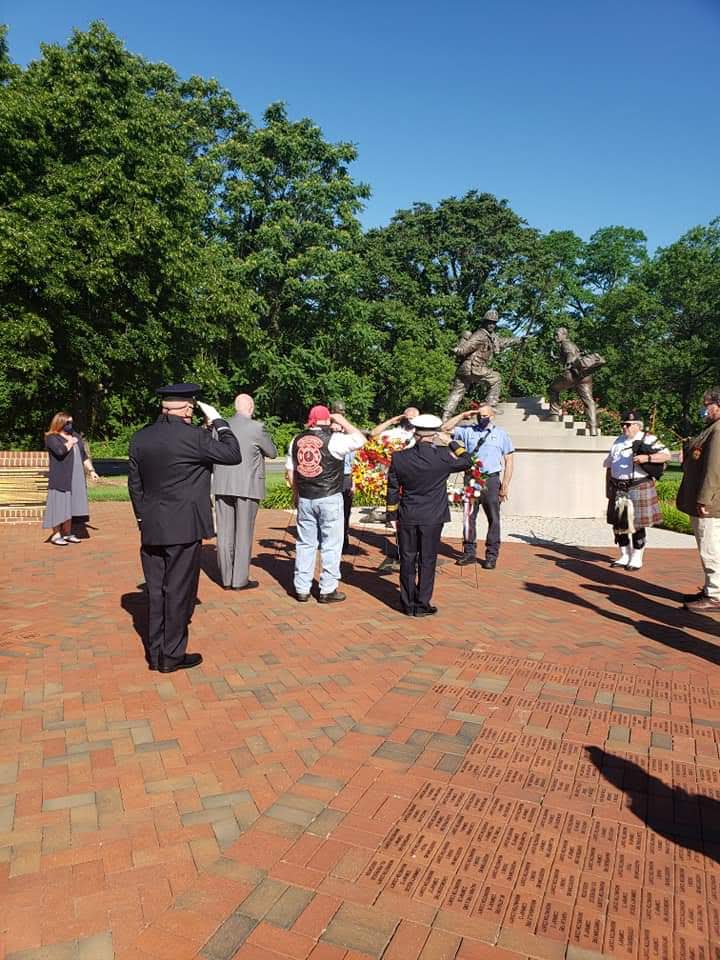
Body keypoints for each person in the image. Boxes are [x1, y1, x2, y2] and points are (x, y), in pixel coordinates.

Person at [128, 384, 241, 672]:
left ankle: (155, 652)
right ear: (189, 408)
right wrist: (219, 421)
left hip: (151, 525)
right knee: (179, 591)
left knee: (157, 592)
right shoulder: (195, 437)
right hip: (184, 527)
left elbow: (135, 483)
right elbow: (232, 453)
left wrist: (143, 517)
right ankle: (172, 655)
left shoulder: (141, 437)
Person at [387, 415, 472, 616]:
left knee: (407, 558)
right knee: (428, 559)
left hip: (408, 513)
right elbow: (467, 460)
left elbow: (392, 488)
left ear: (415, 432)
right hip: (433, 516)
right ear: (434, 434)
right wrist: (450, 442)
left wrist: (391, 514)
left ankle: (408, 603)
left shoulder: (399, 457)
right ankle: (422, 603)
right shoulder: (443, 456)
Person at [286, 405, 366, 602]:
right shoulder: (335, 439)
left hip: (305, 496)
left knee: (305, 543)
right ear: (328, 420)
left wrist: (296, 494)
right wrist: (342, 420)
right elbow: (361, 439)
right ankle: (327, 589)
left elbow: (291, 470)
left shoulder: (296, 440)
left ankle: (302, 587)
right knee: (331, 543)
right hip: (329, 496)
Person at [212, 393, 277, 590]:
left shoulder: (220, 427)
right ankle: (239, 580)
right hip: (248, 486)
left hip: (223, 485)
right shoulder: (257, 427)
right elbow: (272, 452)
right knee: (243, 532)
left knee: (224, 532)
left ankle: (225, 578)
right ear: (251, 407)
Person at [442, 403, 515, 569]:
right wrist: (463, 415)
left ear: (492, 416)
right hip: (471, 478)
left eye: (484, 415)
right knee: (468, 517)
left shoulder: (501, 434)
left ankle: (491, 555)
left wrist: (505, 484)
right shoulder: (468, 431)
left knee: (493, 519)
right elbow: (445, 429)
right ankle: (469, 552)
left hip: (491, 479)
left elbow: (509, 460)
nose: (481, 418)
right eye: (479, 415)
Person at [603, 410, 670, 571]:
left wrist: (646, 458)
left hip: (639, 485)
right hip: (619, 486)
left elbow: (666, 455)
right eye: (622, 424)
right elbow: (609, 466)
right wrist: (607, 488)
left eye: (628, 424)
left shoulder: (648, 438)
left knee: (637, 524)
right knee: (620, 524)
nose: (624, 427)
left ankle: (636, 558)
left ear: (637, 425)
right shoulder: (618, 441)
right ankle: (624, 555)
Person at [676, 387, 720, 613]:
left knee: (710, 547)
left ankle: (715, 595)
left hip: (710, 504)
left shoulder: (718, 430)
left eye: (707, 405)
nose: (705, 410)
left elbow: (714, 469)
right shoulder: (712, 428)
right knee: (709, 546)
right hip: (708, 501)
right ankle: (711, 589)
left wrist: (704, 499)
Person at [442, 310, 522, 419]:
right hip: (473, 367)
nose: (491, 325)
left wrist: (519, 340)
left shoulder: (490, 336)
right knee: (496, 378)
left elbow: (503, 342)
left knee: (457, 392)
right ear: (484, 322)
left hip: (464, 369)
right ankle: (490, 405)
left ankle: (445, 416)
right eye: (489, 322)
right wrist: (458, 349)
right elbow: (465, 349)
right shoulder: (480, 335)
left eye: (494, 323)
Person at [369, 406, 418, 570]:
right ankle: (401, 549)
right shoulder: (396, 433)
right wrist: (392, 420)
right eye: (407, 418)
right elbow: (374, 433)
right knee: (397, 514)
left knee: (415, 515)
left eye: (413, 418)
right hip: (397, 479)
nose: (409, 421)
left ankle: (414, 550)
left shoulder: (421, 434)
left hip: (416, 480)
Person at [42, 411, 99, 545]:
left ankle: (67, 533)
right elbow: (60, 451)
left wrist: (91, 471)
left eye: (71, 422)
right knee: (59, 506)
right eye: (68, 422)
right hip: (60, 478)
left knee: (70, 506)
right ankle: (56, 534)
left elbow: (84, 456)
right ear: (60, 423)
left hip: (76, 478)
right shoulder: (52, 438)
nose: (70, 425)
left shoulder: (75, 436)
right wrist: (70, 442)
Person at [548, 328, 600, 436]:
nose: (555, 337)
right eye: (554, 334)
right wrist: (557, 358)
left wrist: (567, 366)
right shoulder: (572, 344)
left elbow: (570, 354)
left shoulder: (565, 344)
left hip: (572, 374)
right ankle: (593, 428)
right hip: (584, 375)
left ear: (564, 335)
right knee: (589, 401)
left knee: (553, 388)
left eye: (557, 334)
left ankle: (554, 415)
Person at [330, 400, 356, 553]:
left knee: (345, 510)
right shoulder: (326, 430)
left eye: (342, 412)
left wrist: (354, 482)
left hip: (346, 476)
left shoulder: (349, 431)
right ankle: (331, 539)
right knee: (331, 509)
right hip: (331, 476)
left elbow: (355, 460)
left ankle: (343, 538)